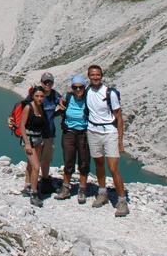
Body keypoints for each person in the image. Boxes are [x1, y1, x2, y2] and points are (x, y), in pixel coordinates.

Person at [86, 64, 128, 217]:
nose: (95, 77)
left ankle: (122, 200)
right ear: (89, 76)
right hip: (93, 131)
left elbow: (119, 117)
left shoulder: (109, 93)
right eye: (92, 75)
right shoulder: (86, 91)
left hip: (109, 132)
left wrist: (120, 142)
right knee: (98, 164)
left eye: (98, 75)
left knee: (113, 167)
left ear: (101, 76)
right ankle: (102, 192)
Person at [21, 71, 62, 194]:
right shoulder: (36, 94)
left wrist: (56, 113)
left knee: (46, 159)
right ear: (41, 82)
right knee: (32, 162)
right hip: (34, 134)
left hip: (48, 134)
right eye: (45, 82)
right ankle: (28, 186)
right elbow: (23, 107)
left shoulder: (55, 95)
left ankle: (44, 181)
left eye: (50, 82)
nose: (48, 84)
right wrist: (11, 118)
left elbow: (62, 104)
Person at [54, 75, 90, 203]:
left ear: (85, 87)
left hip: (84, 133)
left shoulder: (88, 98)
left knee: (84, 162)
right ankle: (65, 188)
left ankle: (82, 189)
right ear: (72, 87)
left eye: (81, 87)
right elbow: (57, 102)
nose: (78, 89)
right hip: (68, 132)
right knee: (68, 161)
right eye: (75, 87)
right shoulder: (67, 97)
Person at [19, 86, 49, 207]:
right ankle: (34, 193)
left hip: (39, 140)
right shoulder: (28, 107)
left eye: (42, 96)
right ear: (33, 96)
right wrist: (26, 143)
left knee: (31, 164)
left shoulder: (41, 107)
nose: (39, 98)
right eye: (37, 96)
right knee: (36, 166)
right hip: (29, 140)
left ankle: (27, 186)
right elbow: (22, 126)